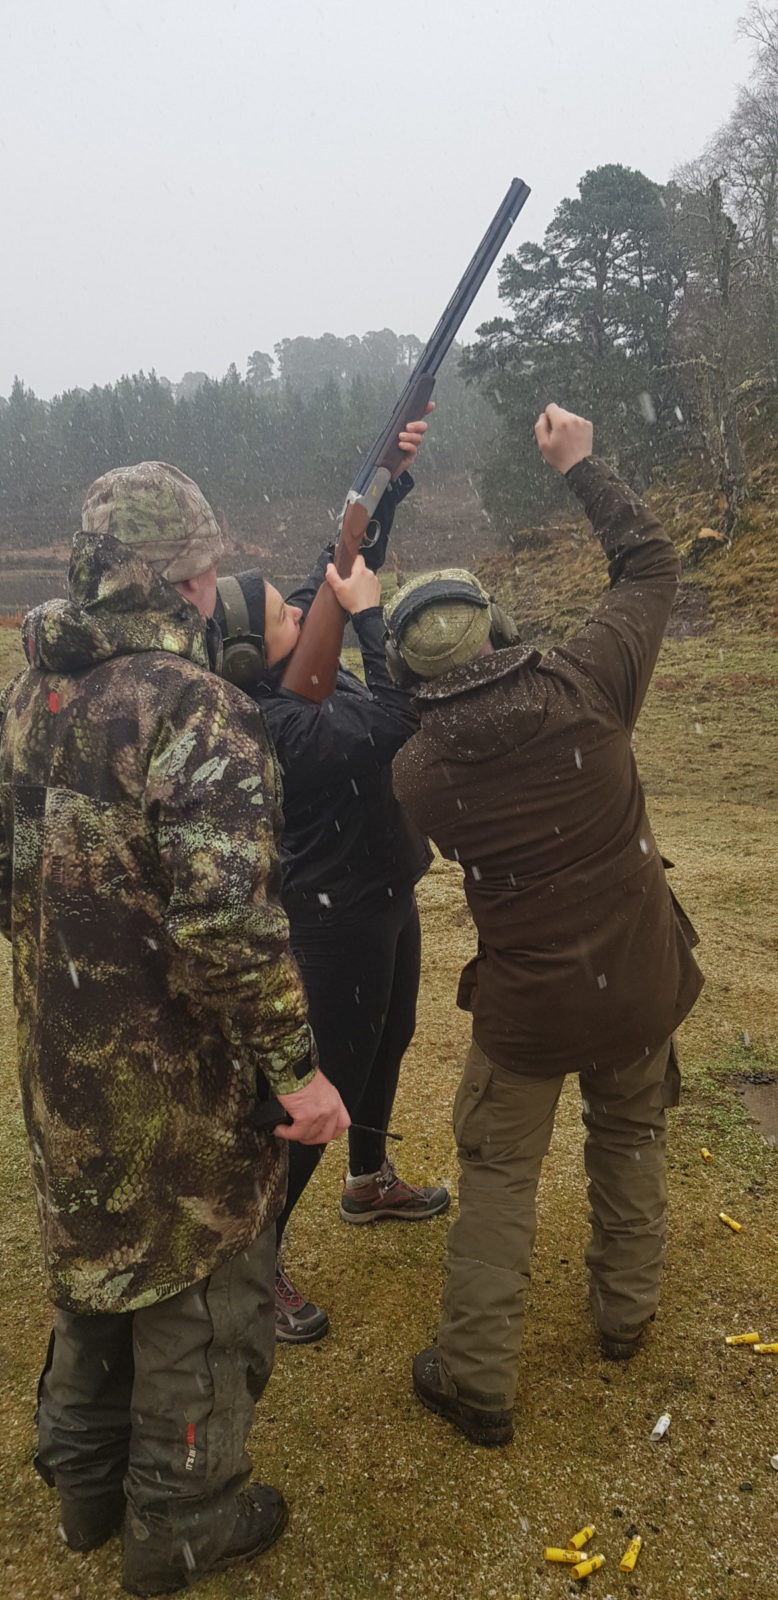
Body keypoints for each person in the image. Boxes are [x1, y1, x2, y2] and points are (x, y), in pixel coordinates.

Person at [0, 461, 350, 1596]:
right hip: (177, 1083)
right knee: (199, 1293)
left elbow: (12, 879)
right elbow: (228, 925)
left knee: (98, 1271)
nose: (213, 585)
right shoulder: (193, 706)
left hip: (62, 1068)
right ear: (182, 575)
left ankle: (84, 1491)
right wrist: (300, 1076)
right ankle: (184, 1523)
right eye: (205, 565)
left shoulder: (33, 691)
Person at [387, 404, 704, 1447]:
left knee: (496, 1177)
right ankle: (625, 1316)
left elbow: (399, 712)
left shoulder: (419, 772)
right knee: (631, 1136)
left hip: (527, 1011)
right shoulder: (589, 682)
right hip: (638, 979)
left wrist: (359, 612)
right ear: (502, 626)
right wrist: (582, 465)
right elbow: (650, 564)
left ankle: (476, 1378)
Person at [215, 418, 449, 1344]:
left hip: (385, 889)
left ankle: (369, 1181)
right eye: (287, 612)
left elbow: (336, 567)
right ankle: (255, 1257)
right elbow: (398, 714)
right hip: (335, 918)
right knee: (324, 1089)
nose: (303, 606)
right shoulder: (281, 724)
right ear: (254, 653)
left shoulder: (290, 662)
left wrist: (386, 481)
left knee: (391, 1042)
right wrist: (374, 616)